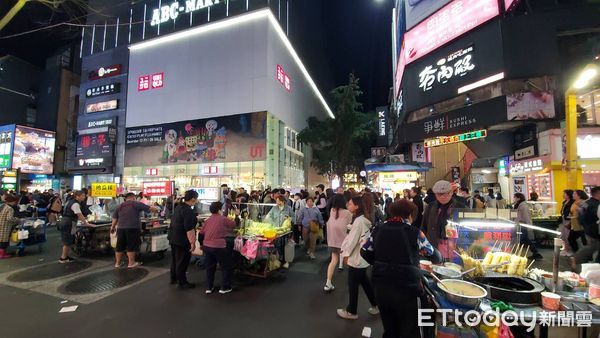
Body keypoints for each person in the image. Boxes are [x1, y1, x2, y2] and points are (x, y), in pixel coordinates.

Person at [362, 200, 438, 338]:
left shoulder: (378, 229)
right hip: (407, 287)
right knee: (412, 327)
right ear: (410, 215)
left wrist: (380, 263)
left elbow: (365, 251)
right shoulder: (414, 232)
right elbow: (434, 255)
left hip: (381, 285)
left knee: (390, 325)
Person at [337, 196, 378, 320]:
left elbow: (353, 240)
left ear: (357, 206)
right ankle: (376, 305)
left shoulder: (359, 221)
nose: (348, 205)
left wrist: (345, 255)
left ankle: (351, 311)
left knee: (353, 284)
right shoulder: (362, 219)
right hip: (362, 257)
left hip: (357, 257)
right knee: (365, 282)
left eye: (350, 203)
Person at [111, 192, 157, 268]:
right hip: (132, 228)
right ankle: (131, 263)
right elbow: (149, 208)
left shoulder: (119, 206)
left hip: (120, 228)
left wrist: (112, 227)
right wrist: (157, 210)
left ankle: (117, 263)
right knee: (131, 245)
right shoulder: (135, 203)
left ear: (126, 198)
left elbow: (115, 218)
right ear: (133, 197)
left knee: (119, 246)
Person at [421, 180, 466, 259]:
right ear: (435, 195)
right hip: (434, 245)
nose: (442, 197)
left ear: (451, 192)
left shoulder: (460, 207)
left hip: (455, 247)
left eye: (446, 194)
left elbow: (466, 227)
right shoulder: (431, 207)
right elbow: (424, 227)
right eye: (439, 194)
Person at [200, 201, 237, 294]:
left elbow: (201, 234)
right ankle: (224, 287)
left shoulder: (208, 220)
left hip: (207, 246)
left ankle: (209, 287)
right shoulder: (222, 219)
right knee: (225, 266)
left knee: (210, 267)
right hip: (219, 246)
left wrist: (201, 245)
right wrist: (237, 215)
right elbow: (234, 225)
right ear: (219, 210)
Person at [168, 190, 199, 289]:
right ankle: (182, 282)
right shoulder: (188, 210)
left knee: (175, 260)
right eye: (196, 199)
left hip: (173, 237)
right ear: (193, 199)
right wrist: (192, 242)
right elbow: (189, 228)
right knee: (182, 261)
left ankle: (174, 278)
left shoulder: (179, 207)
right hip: (182, 239)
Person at [324, 194, 352, 292]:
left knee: (333, 261)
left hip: (332, 241)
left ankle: (328, 283)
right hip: (344, 242)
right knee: (349, 262)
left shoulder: (332, 211)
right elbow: (351, 224)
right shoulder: (347, 213)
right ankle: (353, 283)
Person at [570, 187, 600, 271]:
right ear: (598, 193)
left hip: (587, 228)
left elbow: (581, 216)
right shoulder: (596, 204)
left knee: (593, 246)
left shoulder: (586, 203)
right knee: (593, 246)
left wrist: (584, 225)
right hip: (594, 229)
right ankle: (577, 258)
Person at [58, 190, 89, 263]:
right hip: (69, 223)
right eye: (83, 196)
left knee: (68, 240)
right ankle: (63, 258)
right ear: (77, 196)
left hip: (65, 221)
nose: (84, 197)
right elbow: (79, 215)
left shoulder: (69, 201)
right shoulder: (76, 204)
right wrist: (86, 223)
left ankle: (65, 256)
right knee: (67, 241)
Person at [514, 193, 542, 260]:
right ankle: (536, 253)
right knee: (525, 240)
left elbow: (526, 217)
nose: (514, 198)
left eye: (514, 197)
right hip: (520, 225)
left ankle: (535, 252)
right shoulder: (520, 205)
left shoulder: (524, 206)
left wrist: (529, 226)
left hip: (523, 225)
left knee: (523, 239)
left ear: (518, 198)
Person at [559, 190, 575, 256]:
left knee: (568, 235)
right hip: (564, 219)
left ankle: (569, 250)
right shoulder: (564, 202)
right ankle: (566, 249)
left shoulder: (572, 202)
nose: (563, 195)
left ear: (568, 195)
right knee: (564, 235)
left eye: (564, 194)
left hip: (568, 220)